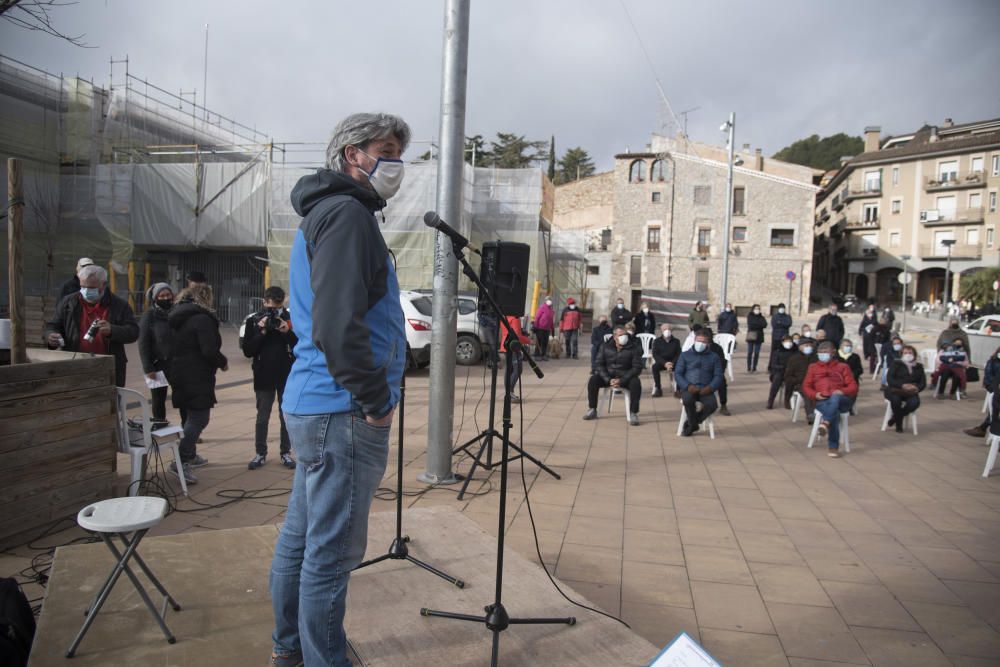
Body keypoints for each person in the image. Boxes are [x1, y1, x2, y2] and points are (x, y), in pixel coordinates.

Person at [269, 112, 410, 667]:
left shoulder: (328, 213)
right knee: (329, 555)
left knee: (301, 540)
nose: (395, 161)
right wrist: (376, 402)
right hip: (342, 410)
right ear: (352, 154)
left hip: (317, 405)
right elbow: (335, 327)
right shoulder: (348, 215)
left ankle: (289, 651)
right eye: (385, 149)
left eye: (400, 150)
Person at [167, 284, 227, 484]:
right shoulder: (202, 319)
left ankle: (190, 455)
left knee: (190, 416)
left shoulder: (178, 317)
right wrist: (222, 362)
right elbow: (208, 349)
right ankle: (181, 459)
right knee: (199, 418)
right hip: (196, 374)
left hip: (179, 372)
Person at [44, 264, 139, 387]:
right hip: (74, 365)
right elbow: (53, 325)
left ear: (103, 285)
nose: (86, 291)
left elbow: (133, 332)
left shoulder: (119, 305)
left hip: (108, 368)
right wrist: (50, 336)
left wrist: (112, 330)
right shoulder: (68, 302)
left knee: (109, 403)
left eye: (91, 287)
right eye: (82, 286)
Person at [243, 286, 298, 470]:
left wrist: (287, 332)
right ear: (264, 302)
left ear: (283, 304)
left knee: (286, 416)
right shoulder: (254, 320)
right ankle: (260, 452)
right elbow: (248, 350)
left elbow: (299, 346)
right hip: (263, 373)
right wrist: (261, 332)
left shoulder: (290, 320)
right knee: (262, 416)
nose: (274, 311)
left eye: (278, 307)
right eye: (270, 306)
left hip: (285, 374)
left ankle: (285, 452)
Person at [802, 341, 858, 458]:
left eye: (826, 352)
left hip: (842, 399)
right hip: (822, 400)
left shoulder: (843, 367)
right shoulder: (813, 367)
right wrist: (815, 394)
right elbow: (806, 386)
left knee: (836, 397)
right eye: (820, 353)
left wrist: (842, 391)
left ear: (833, 353)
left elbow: (853, 386)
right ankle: (833, 447)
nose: (823, 355)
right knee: (834, 413)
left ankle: (825, 423)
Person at [583, 325, 644, 425]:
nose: (624, 337)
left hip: (625, 377)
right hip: (609, 376)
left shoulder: (633, 348)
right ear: (615, 336)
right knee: (593, 380)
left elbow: (637, 368)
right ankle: (592, 409)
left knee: (636, 383)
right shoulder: (605, 346)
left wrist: (622, 380)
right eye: (621, 335)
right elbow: (599, 364)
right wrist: (608, 379)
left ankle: (633, 413)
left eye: (625, 335)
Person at [675, 329, 725, 436]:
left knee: (712, 405)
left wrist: (710, 388)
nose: (700, 344)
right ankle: (693, 425)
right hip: (689, 388)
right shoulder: (685, 355)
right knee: (688, 400)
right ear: (694, 340)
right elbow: (678, 374)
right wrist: (687, 386)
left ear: (708, 343)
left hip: (706, 389)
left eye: (703, 342)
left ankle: (692, 423)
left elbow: (718, 375)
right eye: (698, 341)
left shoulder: (714, 357)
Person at [138, 283, 175, 425]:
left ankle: (187, 431)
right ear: (155, 298)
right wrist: (148, 367)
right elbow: (143, 343)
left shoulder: (177, 312)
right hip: (157, 364)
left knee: (183, 397)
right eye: (162, 296)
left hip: (176, 363)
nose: (166, 298)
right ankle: (160, 426)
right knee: (158, 399)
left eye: (168, 295)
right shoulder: (149, 316)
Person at [885, 344, 926, 433]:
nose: (908, 354)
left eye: (910, 353)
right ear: (902, 354)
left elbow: (923, 383)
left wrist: (916, 388)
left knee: (914, 403)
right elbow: (890, 379)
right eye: (905, 353)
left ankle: (895, 418)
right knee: (896, 401)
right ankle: (899, 425)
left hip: (911, 391)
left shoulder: (919, 367)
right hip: (896, 389)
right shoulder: (896, 364)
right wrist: (902, 385)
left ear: (914, 354)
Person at [964, 345, 1000, 438]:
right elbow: (989, 378)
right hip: (994, 388)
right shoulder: (993, 361)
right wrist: (994, 388)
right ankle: (984, 428)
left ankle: (983, 428)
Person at [784, 338, 818, 421]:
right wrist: (799, 380)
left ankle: (826, 415)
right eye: (806, 345)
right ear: (800, 347)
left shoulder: (816, 358)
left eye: (810, 345)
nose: (809, 347)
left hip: (816, 382)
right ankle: (811, 414)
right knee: (807, 392)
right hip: (800, 384)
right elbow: (788, 377)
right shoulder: (794, 359)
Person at [500, 314, 531, 403]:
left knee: (509, 369)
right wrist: (529, 341)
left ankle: (508, 393)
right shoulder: (515, 318)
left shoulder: (505, 316)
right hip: (512, 346)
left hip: (505, 345)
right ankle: (509, 393)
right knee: (518, 369)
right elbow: (517, 336)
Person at [706, 328, 732, 416]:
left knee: (721, 382)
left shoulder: (717, 348)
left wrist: (716, 372)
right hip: (701, 373)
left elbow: (723, 362)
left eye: (709, 336)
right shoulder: (697, 347)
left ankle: (723, 405)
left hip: (715, 373)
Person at [651, 323, 681, 398]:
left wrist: (672, 363)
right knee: (654, 367)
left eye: (669, 329)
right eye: (665, 329)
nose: (667, 331)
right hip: (662, 362)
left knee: (681, 368)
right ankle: (658, 388)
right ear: (661, 331)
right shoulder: (657, 341)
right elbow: (655, 354)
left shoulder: (676, 341)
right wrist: (665, 363)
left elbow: (679, 354)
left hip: (673, 362)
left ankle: (678, 390)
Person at [766, 335, 795, 409]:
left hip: (791, 372)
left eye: (790, 341)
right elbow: (774, 365)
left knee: (790, 381)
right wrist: (782, 368)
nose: (788, 343)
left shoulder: (795, 351)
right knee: (777, 379)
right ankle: (771, 400)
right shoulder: (778, 351)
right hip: (779, 371)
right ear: (782, 342)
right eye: (786, 341)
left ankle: (787, 401)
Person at [746, 304, 767, 372]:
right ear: (753, 309)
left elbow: (764, 324)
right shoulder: (750, 316)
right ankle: (749, 366)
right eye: (756, 308)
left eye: (758, 308)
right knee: (750, 352)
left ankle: (754, 366)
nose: (757, 310)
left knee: (756, 353)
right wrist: (759, 325)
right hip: (751, 336)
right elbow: (751, 324)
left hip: (759, 337)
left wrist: (757, 324)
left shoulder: (761, 317)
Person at [532, 296, 555, 360]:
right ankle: (537, 355)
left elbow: (551, 320)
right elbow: (537, 317)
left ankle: (543, 355)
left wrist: (552, 329)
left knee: (545, 342)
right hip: (540, 328)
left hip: (547, 329)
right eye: (548, 300)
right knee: (539, 341)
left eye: (550, 300)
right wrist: (535, 326)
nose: (549, 301)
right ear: (545, 301)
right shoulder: (542, 307)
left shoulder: (551, 310)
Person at [859, 304, 880, 373]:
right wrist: (861, 332)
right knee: (865, 345)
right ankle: (866, 354)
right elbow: (861, 326)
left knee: (872, 348)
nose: (870, 314)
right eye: (869, 313)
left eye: (871, 313)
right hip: (866, 335)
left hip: (872, 336)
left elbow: (877, 325)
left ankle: (870, 355)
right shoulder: (865, 319)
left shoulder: (874, 319)